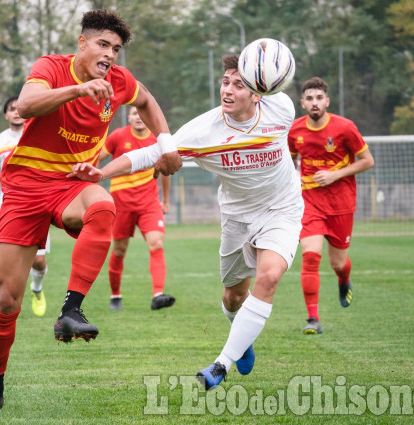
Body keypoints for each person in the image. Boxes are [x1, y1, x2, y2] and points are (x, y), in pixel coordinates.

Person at [0, 9, 181, 412]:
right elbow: (29, 104)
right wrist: (77, 91)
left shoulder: (120, 81)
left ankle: (70, 310)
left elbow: (148, 100)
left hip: (71, 183)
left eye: (116, 49)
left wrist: (166, 142)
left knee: (104, 205)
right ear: (82, 43)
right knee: (6, 300)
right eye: (103, 45)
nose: (110, 55)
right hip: (25, 188)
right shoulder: (51, 67)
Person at [69, 54, 304, 391]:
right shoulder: (203, 130)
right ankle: (242, 338)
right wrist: (101, 173)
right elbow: (147, 155)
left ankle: (221, 363)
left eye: (239, 84)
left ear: (257, 92)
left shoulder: (281, 108)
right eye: (225, 81)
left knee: (268, 278)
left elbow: (273, 71)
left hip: (282, 210)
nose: (228, 89)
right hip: (237, 219)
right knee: (233, 297)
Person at [287, 77, 375, 335]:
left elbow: (367, 161)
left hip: (341, 203)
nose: (314, 103)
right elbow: (290, 163)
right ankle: (313, 319)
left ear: (327, 101)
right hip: (309, 202)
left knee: (338, 262)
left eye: (318, 98)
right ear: (303, 103)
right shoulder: (294, 131)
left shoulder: (345, 127)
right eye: (309, 99)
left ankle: (343, 278)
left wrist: (335, 175)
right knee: (311, 256)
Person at [0, 96, 50, 318]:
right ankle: (7, 303)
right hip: (9, 209)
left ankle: (37, 289)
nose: (17, 112)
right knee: (9, 264)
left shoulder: (37, 135)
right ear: (6, 115)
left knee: (38, 260)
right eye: (11, 109)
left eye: (20, 107)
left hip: (38, 205)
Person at [99, 106, 175, 311]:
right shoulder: (117, 137)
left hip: (149, 203)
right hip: (121, 204)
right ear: (129, 118)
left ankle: (158, 294)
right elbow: (97, 159)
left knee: (156, 243)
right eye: (134, 113)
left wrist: (165, 200)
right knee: (119, 250)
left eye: (141, 113)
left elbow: (166, 171)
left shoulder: (158, 141)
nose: (139, 117)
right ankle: (115, 295)